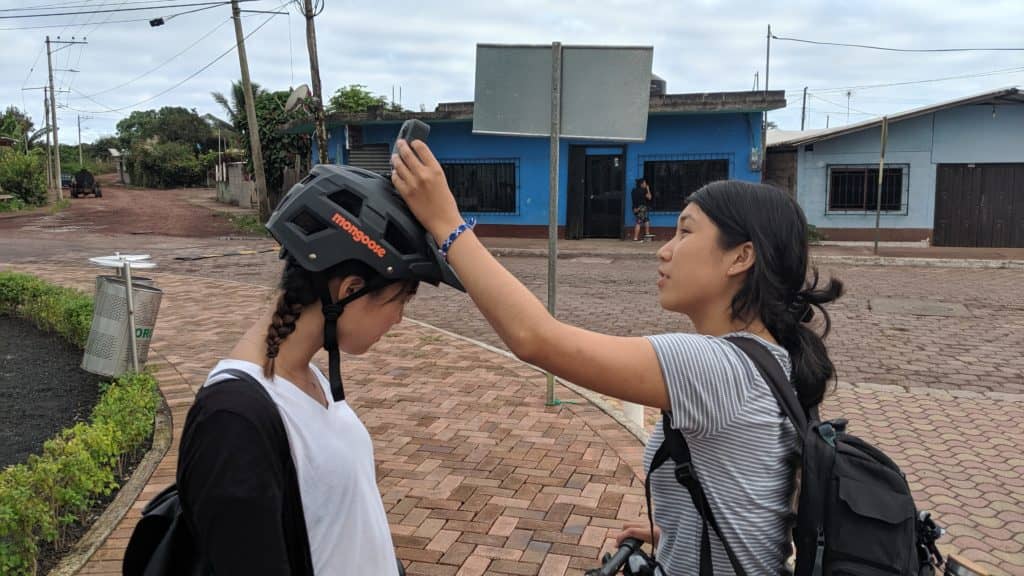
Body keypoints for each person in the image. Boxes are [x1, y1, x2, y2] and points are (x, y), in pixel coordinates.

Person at [391, 139, 843, 575]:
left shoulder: (716, 366)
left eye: (686, 231)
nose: (665, 249)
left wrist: (447, 224)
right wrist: (686, 532)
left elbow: (535, 338)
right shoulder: (768, 360)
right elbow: (753, 507)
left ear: (740, 257)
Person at [176, 164, 463, 575]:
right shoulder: (232, 422)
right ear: (349, 290)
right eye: (400, 300)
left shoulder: (309, 379)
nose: (399, 319)